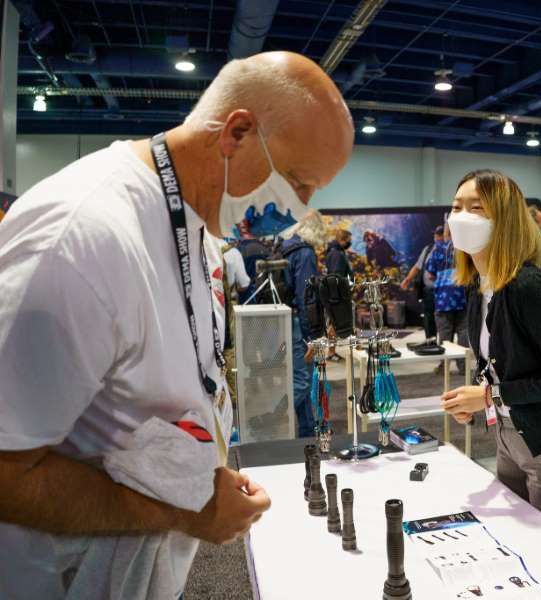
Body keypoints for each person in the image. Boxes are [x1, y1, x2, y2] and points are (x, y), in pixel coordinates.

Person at [0, 51, 354, 599]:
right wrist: (182, 509)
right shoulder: (79, 241)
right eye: (298, 183)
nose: (302, 208)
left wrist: (197, 479)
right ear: (237, 132)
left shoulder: (196, 226)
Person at [441, 170, 541, 538]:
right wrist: (476, 397)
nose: (461, 216)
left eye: (477, 208)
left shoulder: (527, 287)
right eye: (456, 207)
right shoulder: (479, 285)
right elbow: (498, 361)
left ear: (503, 219)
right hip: (507, 433)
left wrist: (488, 395)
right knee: (515, 541)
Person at [280, 212, 328, 438]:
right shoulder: (305, 253)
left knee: (299, 377)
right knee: (303, 380)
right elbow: (306, 297)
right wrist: (312, 337)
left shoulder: (284, 246)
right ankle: (268, 417)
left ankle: (309, 430)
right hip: (298, 323)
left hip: (282, 319)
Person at [426, 224, 468, 373]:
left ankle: (444, 367)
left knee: (445, 334)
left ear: (446, 233)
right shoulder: (465, 250)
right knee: (463, 332)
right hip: (462, 296)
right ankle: (464, 367)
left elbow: (430, 274)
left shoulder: (438, 250)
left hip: (444, 299)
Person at [400, 225, 443, 342]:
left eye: (439, 235)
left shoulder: (449, 250)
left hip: (443, 291)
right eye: (436, 235)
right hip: (428, 290)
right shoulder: (428, 249)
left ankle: (444, 344)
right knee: (428, 316)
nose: (437, 237)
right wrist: (407, 279)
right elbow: (417, 266)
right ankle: (430, 342)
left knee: (443, 319)